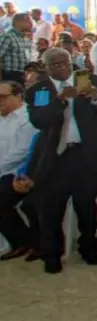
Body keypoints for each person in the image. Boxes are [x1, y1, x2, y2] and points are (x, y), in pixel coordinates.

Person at [23, 47, 97, 273]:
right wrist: (60, 101)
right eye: (56, 64)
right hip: (55, 158)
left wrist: (96, 97)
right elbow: (39, 121)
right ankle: (52, 254)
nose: (63, 68)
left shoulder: (91, 80)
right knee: (51, 209)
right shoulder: (39, 90)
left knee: (86, 205)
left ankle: (88, 248)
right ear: (46, 67)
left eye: (65, 62)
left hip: (85, 154)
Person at [0, 81, 37, 259]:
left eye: (3, 97)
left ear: (18, 96)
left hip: (19, 172)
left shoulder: (28, 117)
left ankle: (23, 241)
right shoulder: (2, 117)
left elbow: (22, 152)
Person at [0, 12, 32, 83]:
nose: (31, 23)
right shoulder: (8, 37)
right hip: (9, 76)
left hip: (24, 75)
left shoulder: (26, 38)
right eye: (28, 20)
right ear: (18, 22)